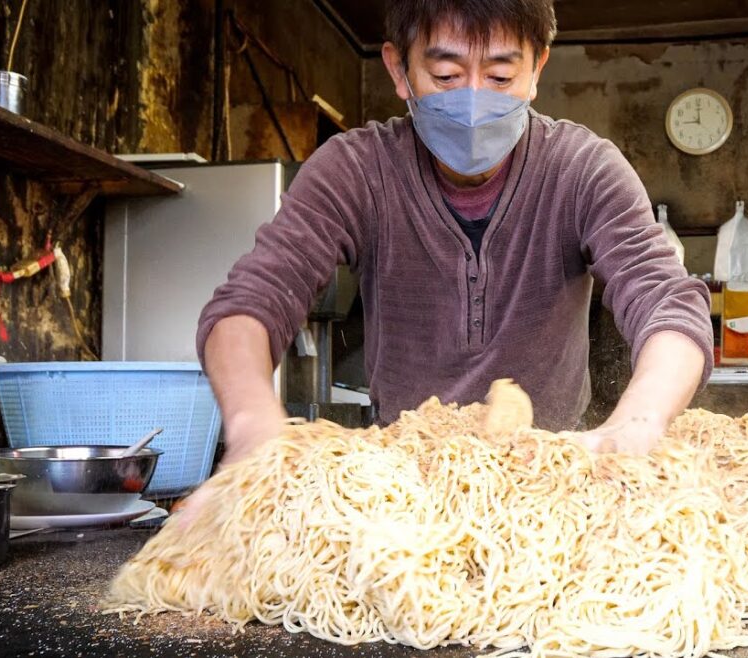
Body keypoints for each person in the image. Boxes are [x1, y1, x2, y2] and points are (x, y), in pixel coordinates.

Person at [195, 0, 713, 473]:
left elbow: (667, 302)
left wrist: (638, 423)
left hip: (551, 477)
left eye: (501, 75)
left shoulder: (584, 170)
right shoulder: (355, 171)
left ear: (537, 70)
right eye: (445, 75)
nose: (472, 104)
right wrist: (252, 428)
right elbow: (251, 304)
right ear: (399, 69)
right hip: (402, 481)